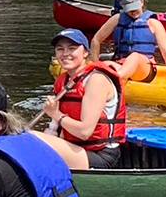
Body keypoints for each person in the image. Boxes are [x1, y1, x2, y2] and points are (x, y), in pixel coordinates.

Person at [42, 28, 127, 169]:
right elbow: (55, 127)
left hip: (101, 156)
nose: (65, 54)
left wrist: (56, 114)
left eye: (72, 48)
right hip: (78, 150)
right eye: (60, 49)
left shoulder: (96, 80)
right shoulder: (63, 81)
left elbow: (84, 132)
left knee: (34, 140)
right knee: (26, 139)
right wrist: (50, 132)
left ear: (86, 53)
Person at [91, 0, 166, 82]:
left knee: (135, 56)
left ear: (142, 2)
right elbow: (96, 40)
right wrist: (95, 64)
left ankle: (116, 78)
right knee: (106, 64)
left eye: (134, 8)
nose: (132, 12)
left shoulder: (153, 23)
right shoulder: (117, 19)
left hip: (144, 69)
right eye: (129, 9)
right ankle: (100, 77)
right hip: (122, 64)